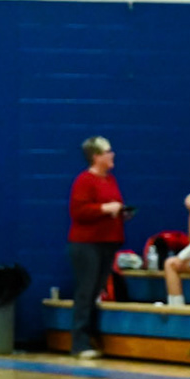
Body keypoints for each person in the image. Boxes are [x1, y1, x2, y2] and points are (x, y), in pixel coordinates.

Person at [67, 137, 124, 361]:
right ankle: (79, 343)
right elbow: (78, 212)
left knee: (96, 292)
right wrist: (104, 209)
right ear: (96, 156)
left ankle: (91, 337)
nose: (112, 155)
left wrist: (120, 212)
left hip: (107, 242)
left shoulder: (110, 180)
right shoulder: (84, 181)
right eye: (108, 151)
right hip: (86, 244)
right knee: (86, 291)